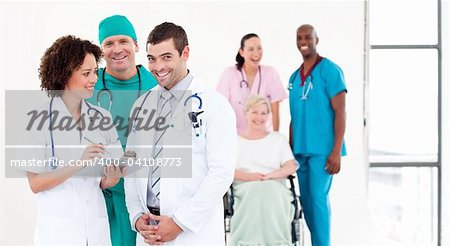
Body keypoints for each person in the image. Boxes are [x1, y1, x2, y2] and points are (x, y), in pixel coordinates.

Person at [124, 22, 236, 245]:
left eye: (166, 57)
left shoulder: (215, 105)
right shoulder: (142, 105)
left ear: (185, 53)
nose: (157, 66)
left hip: (193, 233)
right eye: (151, 58)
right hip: (149, 232)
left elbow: (221, 174)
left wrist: (179, 223)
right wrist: (137, 217)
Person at [24, 35, 123, 245]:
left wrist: (112, 178)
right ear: (65, 75)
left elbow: (103, 180)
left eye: (95, 72)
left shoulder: (102, 117)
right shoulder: (37, 119)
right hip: (59, 233)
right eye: (86, 73)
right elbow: (36, 183)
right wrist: (79, 163)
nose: (94, 79)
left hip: (95, 229)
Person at [87, 14, 158, 246]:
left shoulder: (156, 84)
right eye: (109, 43)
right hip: (97, 192)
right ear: (101, 50)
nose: (117, 49)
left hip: (142, 194)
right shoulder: (88, 85)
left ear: (136, 44)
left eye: (123, 41)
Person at [288, 24, 347, 246]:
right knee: (307, 204)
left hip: (323, 150)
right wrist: (289, 151)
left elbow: (340, 111)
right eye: (299, 37)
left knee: (319, 201)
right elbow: (294, 117)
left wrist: (336, 152)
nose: (304, 41)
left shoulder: (330, 71)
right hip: (301, 150)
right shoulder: (294, 78)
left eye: (308, 37)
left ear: (316, 40)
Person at [230, 95, 298, 245]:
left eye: (264, 113)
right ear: (245, 113)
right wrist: (250, 177)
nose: (259, 117)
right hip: (244, 186)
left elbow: (291, 166)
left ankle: (278, 242)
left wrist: (269, 176)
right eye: (255, 112)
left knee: (272, 192)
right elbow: (227, 171)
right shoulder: (234, 141)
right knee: (255, 192)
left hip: (274, 184)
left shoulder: (278, 139)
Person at [217, 33, 287, 134]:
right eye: (251, 49)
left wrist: (275, 138)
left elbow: (275, 111)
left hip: (263, 137)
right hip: (236, 137)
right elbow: (221, 110)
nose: (256, 53)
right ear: (241, 52)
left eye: (259, 48)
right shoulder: (229, 74)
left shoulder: (270, 73)